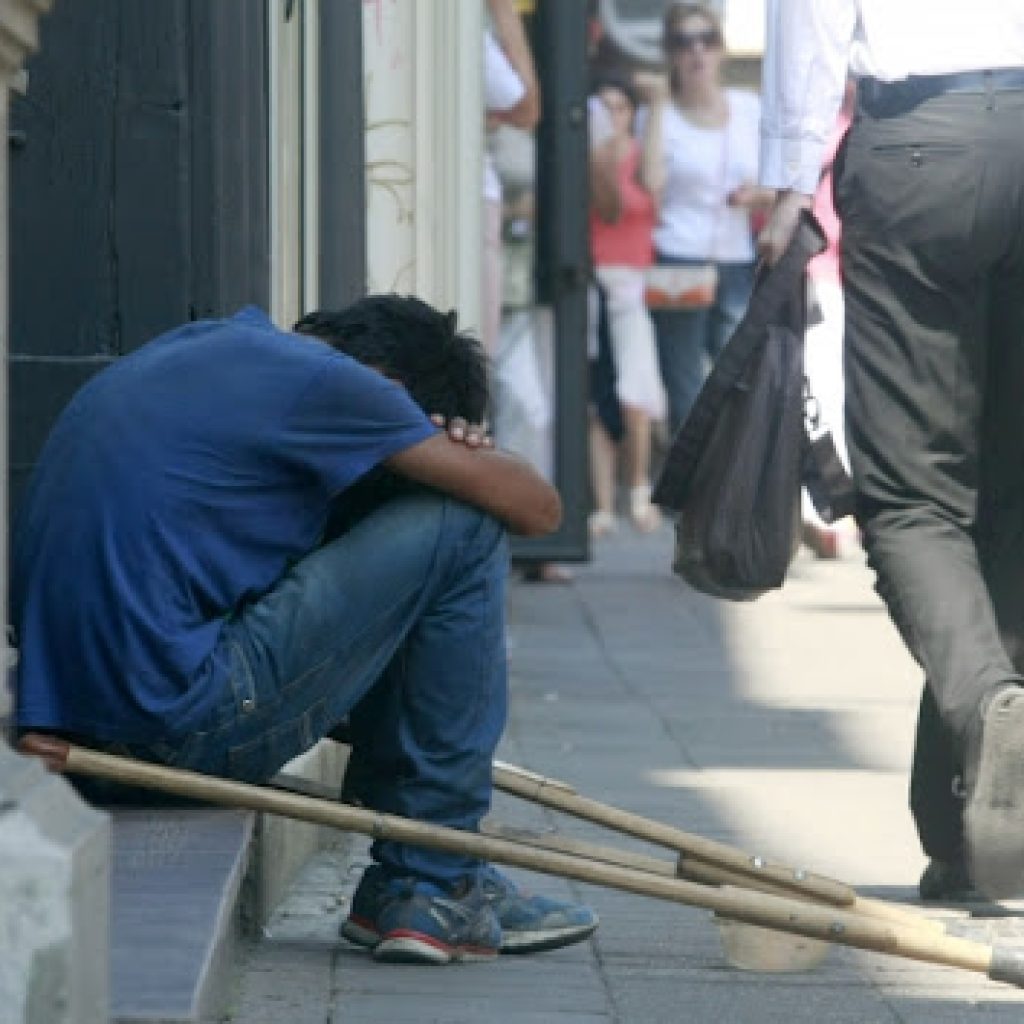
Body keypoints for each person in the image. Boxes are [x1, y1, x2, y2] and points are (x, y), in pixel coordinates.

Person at [11, 295, 598, 964]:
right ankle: (431, 880)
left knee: (397, 523)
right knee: (462, 524)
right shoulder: (340, 385)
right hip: (177, 728)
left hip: (73, 736)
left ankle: (436, 862)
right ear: (391, 387)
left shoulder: (208, 349)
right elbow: (538, 509)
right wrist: (458, 458)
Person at [759, 0, 1024, 900]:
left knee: (915, 500)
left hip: (923, 147)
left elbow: (811, 20)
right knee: (1009, 499)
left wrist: (788, 179)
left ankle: (991, 704)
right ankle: (966, 838)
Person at [636, 2, 773, 437]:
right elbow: (650, 182)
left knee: (737, 376)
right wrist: (657, 106)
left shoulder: (748, 107)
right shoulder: (659, 114)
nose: (697, 52)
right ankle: (690, 495)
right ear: (671, 55)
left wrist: (755, 196)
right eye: (683, 42)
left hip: (736, 257)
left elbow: (782, 186)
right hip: (679, 256)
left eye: (707, 40)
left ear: (721, 50)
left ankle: (731, 486)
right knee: (685, 382)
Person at [588, 76, 667, 536]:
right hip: (598, 279)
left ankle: (637, 491)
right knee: (600, 398)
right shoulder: (591, 160)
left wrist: (654, 110)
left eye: (621, 108)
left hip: (634, 283)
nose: (613, 118)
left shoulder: (641, 154)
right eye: (606, 108)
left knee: (636, 393)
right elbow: (611, 209)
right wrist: (602, 156)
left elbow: (654, 183)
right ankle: (602, 504)